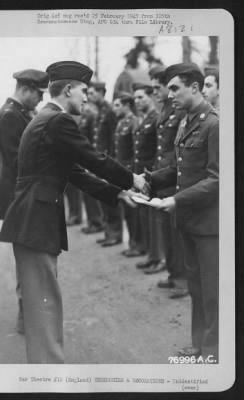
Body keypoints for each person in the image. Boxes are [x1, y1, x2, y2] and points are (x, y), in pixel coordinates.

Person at [0, 61, 146, 363]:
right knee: (44, 307)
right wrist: (132, 178)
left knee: (43, 304)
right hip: (35, 222)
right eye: (84, 91)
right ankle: (48, 379)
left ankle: (47, 372)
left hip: (32, 220)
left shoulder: (46, 119)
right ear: (68, 90)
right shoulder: (58, 121)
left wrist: (116, 192)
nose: (87, 97)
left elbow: (75, 172)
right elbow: (92, 158)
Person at [137, 63, 219, 360]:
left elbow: (218, 179)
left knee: (212, 292)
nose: (168, 94)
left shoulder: (214, 124)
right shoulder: (186, 122)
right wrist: (150, 180)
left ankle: (213, 351)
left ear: (194, 88)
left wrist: (177, 200)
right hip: (189, 222)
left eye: (174, 88)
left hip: (210, 226)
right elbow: (178, 168)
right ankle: (199, 346)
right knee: (197, 289)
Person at [0, 69, 48, 333]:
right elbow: (18, 161)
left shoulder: (18, 114)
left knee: (30, 257)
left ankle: (29, 316)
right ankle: (27, 319)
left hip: (22, 195)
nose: (39, 100)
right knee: (27, 259)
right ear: (25, 89)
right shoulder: (9, 117)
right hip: (20, 196)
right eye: (38, 94)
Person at [147, 65, 188, 298]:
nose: (155, 92)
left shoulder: (179, 110)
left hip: (174, 176)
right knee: (166, 230)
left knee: (176, 232)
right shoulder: (163, 111)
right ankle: (173, 274)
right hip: (162, 175)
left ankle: (183, 280)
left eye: (157, 87)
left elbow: (179, 147)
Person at [88, 81, 123, 247]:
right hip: (100, 161)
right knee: (103, 197)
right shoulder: (99, 111)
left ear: (102, 92)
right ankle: (108, 231)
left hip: (108, 161)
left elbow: (113, 138)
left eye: (93, 92)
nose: (89, 96)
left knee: (110, 198)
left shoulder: (109, 111)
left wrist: (111, 162)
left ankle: (115, 234)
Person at [132, 83, 161, 269]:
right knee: (145, 216)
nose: (137, 101)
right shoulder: (144, 119)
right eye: (135, 98)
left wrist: (154, 175)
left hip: (152, 174)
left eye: (141, 97)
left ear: (151, 97)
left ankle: (158, 258)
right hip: (141, 174)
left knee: (154, 218)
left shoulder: (156, 118)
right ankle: (152, 255)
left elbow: (159, 149)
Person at [112, 92, 143, 257]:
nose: (114, 108)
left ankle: (138, 244)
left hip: (130, 171)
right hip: (121, 171)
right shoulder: (121, 123)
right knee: (127, 210)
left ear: (126, 105)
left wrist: (132, 174)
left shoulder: (134, 122)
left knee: (133, 210)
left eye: (117, 105)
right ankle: (132, 242)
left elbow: (135, 151)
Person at [79, 103, 105, 234]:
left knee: (91, 192)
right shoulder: (83, 116)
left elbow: (94, 140)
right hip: (85, 158)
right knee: (86, 192)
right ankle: (92, 221)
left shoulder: (91, 116)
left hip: (91, 159)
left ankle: (97, 222)